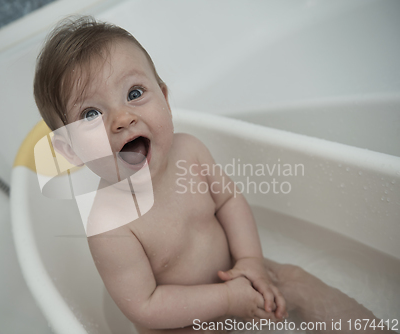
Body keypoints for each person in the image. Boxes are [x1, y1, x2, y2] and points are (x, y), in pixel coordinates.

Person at [33, 16, 389, 334]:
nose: (121, 119)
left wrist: (250, 262)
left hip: (237, 275)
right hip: (181, 322)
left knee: (294, 279)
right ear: (70, 151)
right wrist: (226, 302)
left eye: (135, 93)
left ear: (166, 99)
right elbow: (145, 305)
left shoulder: (190, 152)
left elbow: (230, 201)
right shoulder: (108, 225)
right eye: (91, 114)